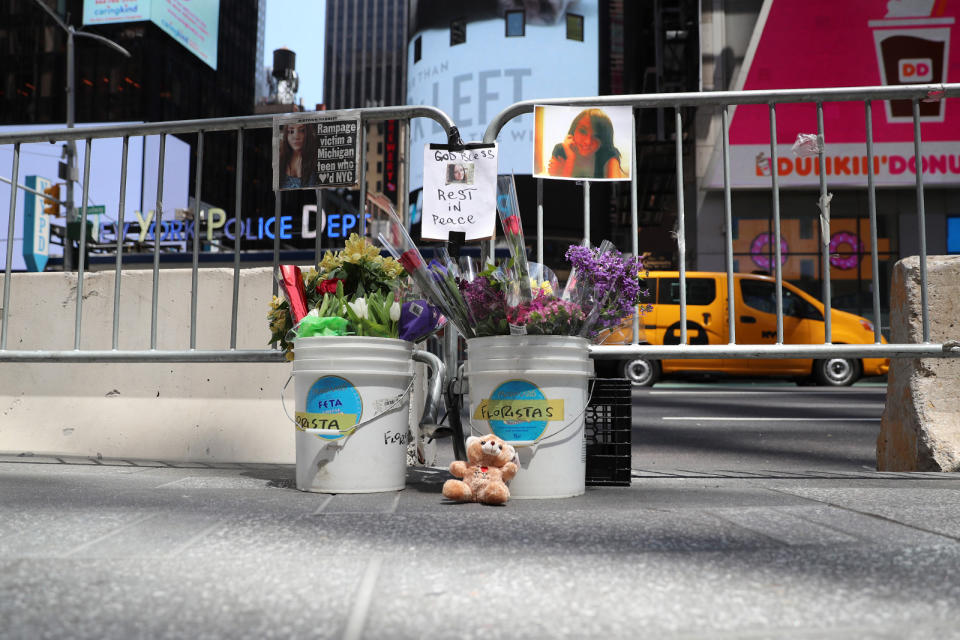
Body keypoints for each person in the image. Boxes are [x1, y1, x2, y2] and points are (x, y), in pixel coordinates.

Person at [547, 108, 627, 179]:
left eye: (597, 136)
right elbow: (558, 187)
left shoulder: (608, 155)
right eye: (583, 131)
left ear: (603, 141)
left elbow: (614, 188)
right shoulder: (561, 150)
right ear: (573, 130)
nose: (587, 141)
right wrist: (570, 159)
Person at [279, 123, 313, 188]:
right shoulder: (279, 160)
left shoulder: (315, 160)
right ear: (286, 134)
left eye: (302, 130)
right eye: (291, 131)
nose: (296, 137)